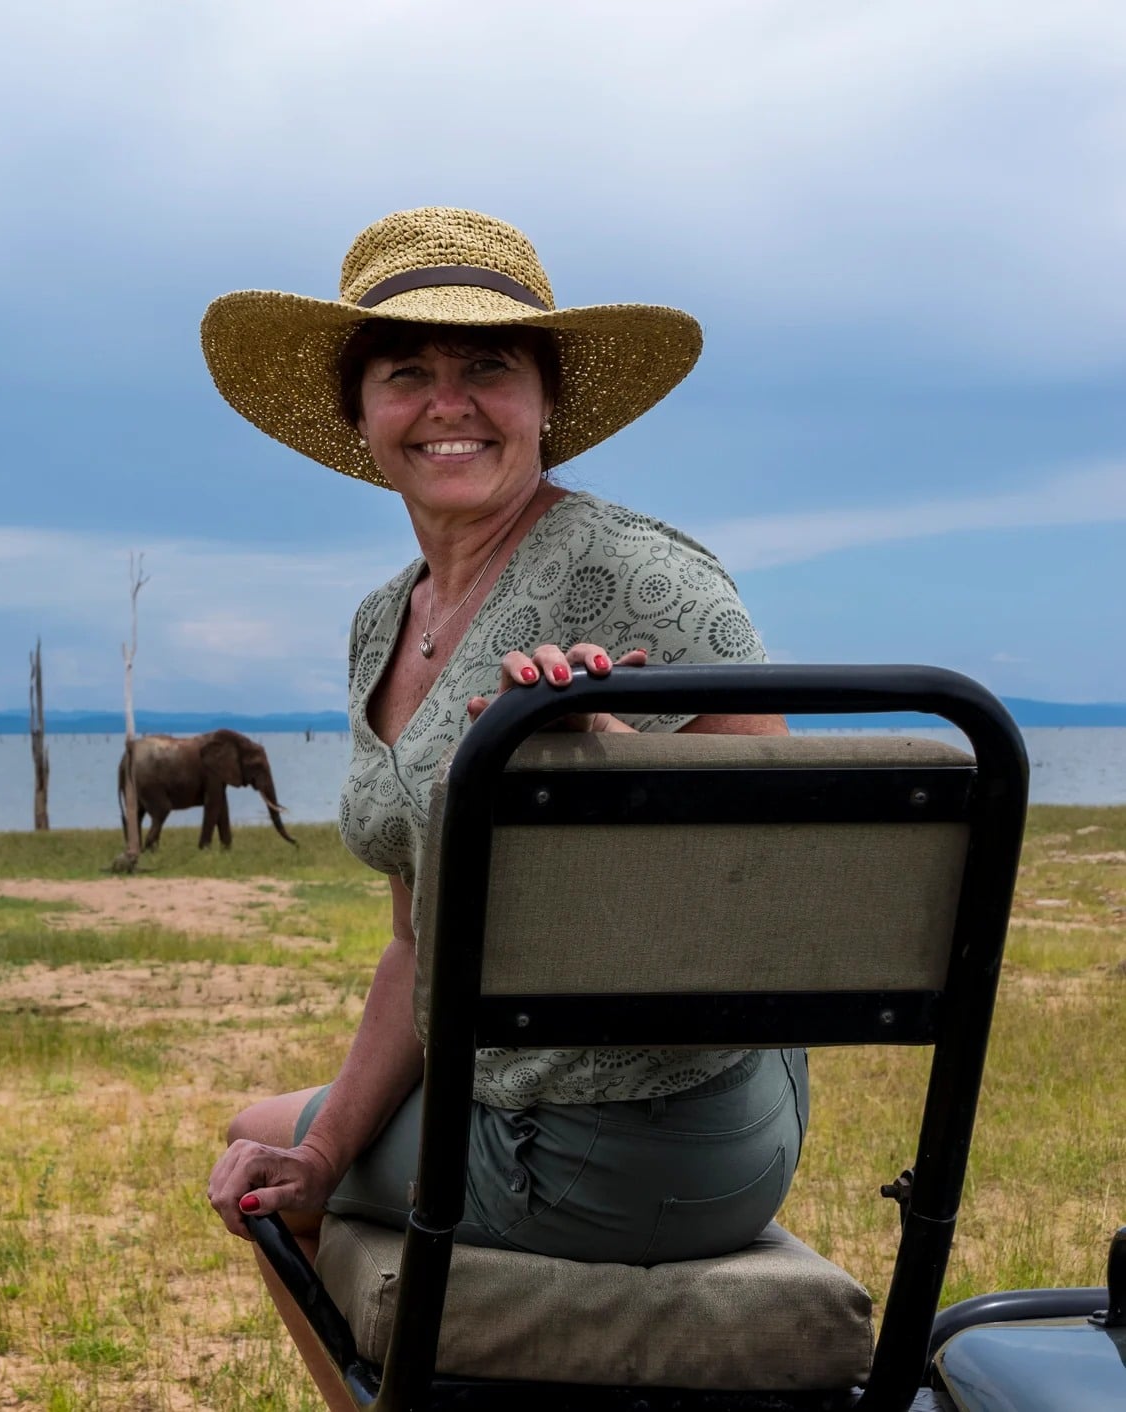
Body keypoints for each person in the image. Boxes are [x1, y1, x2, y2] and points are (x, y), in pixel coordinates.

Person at [200, 208, 807, 1267]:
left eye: (487, 363)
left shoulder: (635, 573)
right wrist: (332, 1143)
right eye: (405, 370)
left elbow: (792, 877)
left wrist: (618, 771)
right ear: (360, 412)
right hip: (523, 1085)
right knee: (279, 1144)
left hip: (653, 1124)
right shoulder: (383, 620)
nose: (449, 403)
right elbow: (413, 943)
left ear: (545, 398)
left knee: (252, 1136)